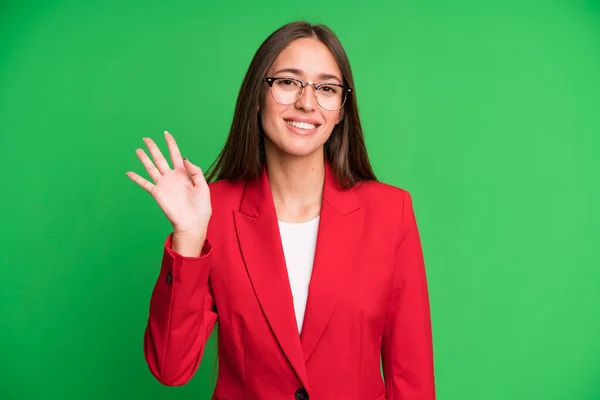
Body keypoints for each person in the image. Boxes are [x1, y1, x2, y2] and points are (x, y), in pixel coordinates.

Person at [126, 20, 436, 400]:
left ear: (341, 110)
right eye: (289, 82)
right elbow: (170, 368)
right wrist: (188, 239)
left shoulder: (391, 212)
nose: (307, 102)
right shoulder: (213, 211)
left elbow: (412, 381)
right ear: (257, 95)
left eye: (326, 88)